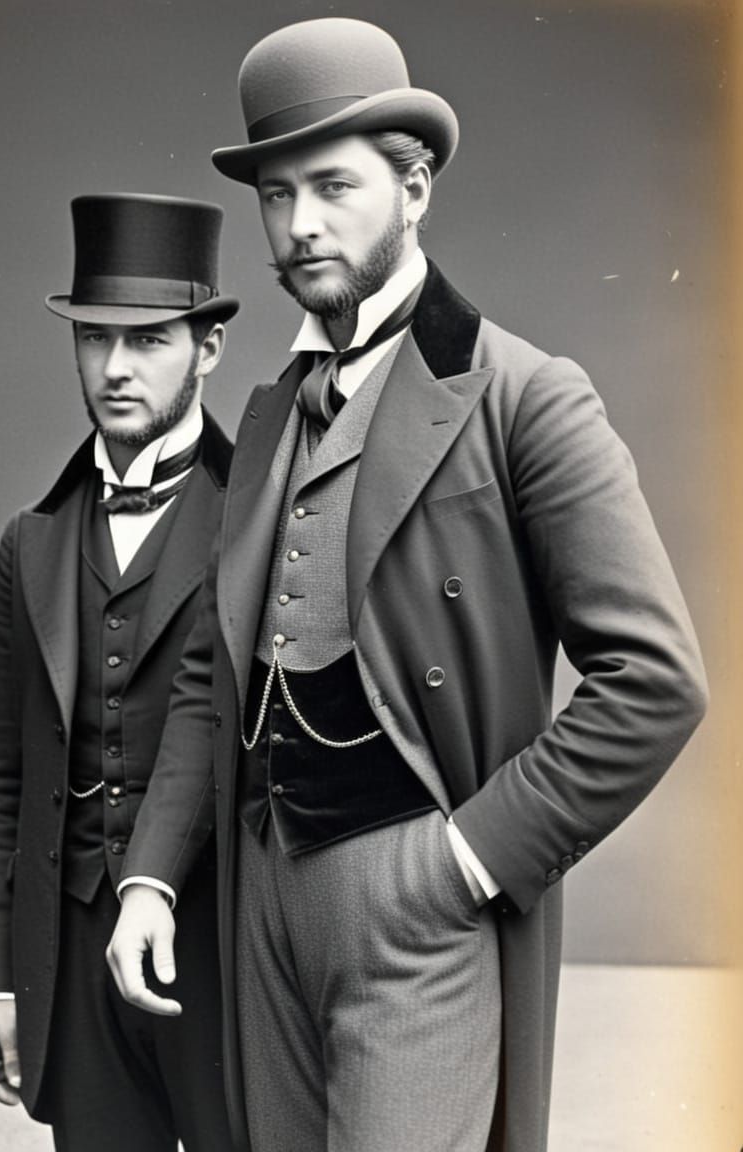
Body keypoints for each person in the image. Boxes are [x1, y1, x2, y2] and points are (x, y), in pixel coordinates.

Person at [107, 19, 708, 1152]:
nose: (300, 224)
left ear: (415, 186)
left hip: (416, 905)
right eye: (276, 195)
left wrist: (462, 863)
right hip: (261, 906)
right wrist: (150, 879)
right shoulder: (271, 411)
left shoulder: (524, 395)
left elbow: (656, 681)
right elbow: (210, 676)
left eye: (333, 186)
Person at [0, 193, 239, 1152]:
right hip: (72, 954)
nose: (116, 367)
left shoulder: (261, 519)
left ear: (208, 347)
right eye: (94, 337)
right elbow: (0, 773)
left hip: (222, 950)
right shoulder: (31, 542)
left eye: (149, 339)